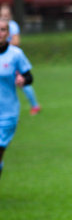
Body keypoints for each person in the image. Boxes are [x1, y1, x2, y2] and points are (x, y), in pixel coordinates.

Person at [0, 19, 34, 181]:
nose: (0, 33)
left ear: (8, 33)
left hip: (7, 112)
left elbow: (29, 76)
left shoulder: (15, 54)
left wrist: (23, 80)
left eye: (3, 30)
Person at [1, 3, 40, 115]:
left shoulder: (13, 26)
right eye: (3, 14)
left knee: (23, 83)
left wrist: (6, 44)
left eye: (7, 14)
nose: (5, 16)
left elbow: (16, 42)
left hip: (12, 61)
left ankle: (35, 105)